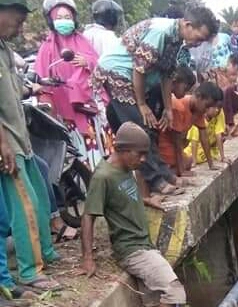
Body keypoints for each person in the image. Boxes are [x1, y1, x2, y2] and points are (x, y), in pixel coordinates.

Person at [80, 122, 197, 307]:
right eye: (139, 154)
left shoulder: (127, 169)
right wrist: (88, 257)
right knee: (174, 290)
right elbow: (88, 216)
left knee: (156, 300)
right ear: (123, 149)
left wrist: (146, 200)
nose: (143, 159)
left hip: (144, 244)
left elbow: (126, 197)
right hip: (132, 249)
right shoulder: (103, 177)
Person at [93, 4, 219, 196]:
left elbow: (167, 74)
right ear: (188, 25)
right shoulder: (160, 32)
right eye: (199, 38)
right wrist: (142, 104)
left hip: (136, 81)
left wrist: (168, 108)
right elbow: (139, 69)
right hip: (118, 75)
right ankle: (157, 181)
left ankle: (165, 176)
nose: (198, 43)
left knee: (150, 129)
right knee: (140, 129)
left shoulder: (176, 39)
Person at [0, 0, 61, 292]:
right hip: (7, 143)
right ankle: (29, 271)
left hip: (21, 138)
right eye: (18, 20)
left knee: (40, 194)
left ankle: (45, 252)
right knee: (24, 206)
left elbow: (13, 90)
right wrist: (2, 143)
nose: (20, 27)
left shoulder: (5, 50)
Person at [35, 0, 101, 148]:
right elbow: (40, 78)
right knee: (72, 146)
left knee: (95, 146)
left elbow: (99, 64)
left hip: (86, 105)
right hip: (61, 106)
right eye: (59, 18)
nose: (63, 21)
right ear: (52, 20)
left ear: (73, 19)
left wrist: (87, 62)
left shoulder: (82, 40)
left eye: (67, 17)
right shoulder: (47, 47)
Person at [158, 80, 222, 177]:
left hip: (175, 146)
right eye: (207, 106)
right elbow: (177, 142)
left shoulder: (198, 111)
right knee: (183, 165)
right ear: (199, 97)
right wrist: (182, 171)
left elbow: (204, 138)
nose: (207, 110)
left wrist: (211, 164)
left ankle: (170, 171)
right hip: (164, 145)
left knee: (189, 161)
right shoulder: (179, 107)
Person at [185, 97, 227, 166]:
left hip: (211, 148)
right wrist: (194, 161)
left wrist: (223, 157)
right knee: (186, 157)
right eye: (214, 108)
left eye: (219, 108)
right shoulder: (198, 118)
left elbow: (218, 134)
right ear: (207, 108)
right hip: (196, 147)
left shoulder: (219, 112)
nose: (217, 110)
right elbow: (194, 140)